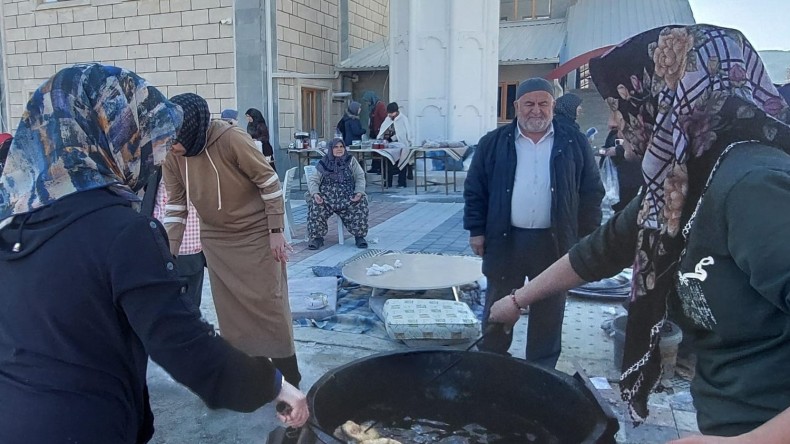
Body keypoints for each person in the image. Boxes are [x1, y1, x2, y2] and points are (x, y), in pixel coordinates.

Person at [489, 25, 790, 441]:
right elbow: (599, 251)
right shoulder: (680, 181)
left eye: (620, 103)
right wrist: (517, 300)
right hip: (723, 417)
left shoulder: (753, 187)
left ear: (667, 96)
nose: (614, 120)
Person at [0, 64, 308, 443]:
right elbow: (186, 349)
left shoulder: (13, 229)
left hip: (12, 418)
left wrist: (273, 229)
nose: (157, 149)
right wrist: (273, 386)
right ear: (112, 133)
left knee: (267, 305)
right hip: (87, 424)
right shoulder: (120, 233)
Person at [464, 77, 604, 368]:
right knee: (499, 304)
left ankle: (542, 369)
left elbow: (591, 192)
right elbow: (475, 188)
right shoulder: (493, 142)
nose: (536, 110)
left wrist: (586, 239)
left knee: (549, 307)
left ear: (553, 106)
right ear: (516, 106)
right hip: (505, 240)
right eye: (529, 103)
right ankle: (491, 363)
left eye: (543, 103)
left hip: (554, 242)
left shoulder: (573, 141)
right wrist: (476, 231)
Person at [163, 93, 302, 387]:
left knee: (270, 305)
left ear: (191, 127)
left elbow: (269, 181)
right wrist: (167, 253)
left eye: (174, 137)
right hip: (217, 242)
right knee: (232, 317)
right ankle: (256, 379)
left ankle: (290, 377)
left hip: (256, 234)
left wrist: (276, 232)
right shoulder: (172, 156)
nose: (170, 144)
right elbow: (176, 205)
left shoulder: (230, 138)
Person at [141, 166, 207, 308]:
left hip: (187, 245)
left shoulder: (162, 163)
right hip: (167, 244)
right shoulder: (160, 163)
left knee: (180, 304)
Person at [306, 138, 369, 250]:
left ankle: (359, 237)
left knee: (361, 202)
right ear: (331, 149)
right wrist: (316, 194)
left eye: (341, 147)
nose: (339, 149)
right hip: (327, 197)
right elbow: (313, 180)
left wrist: (359, 192)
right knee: (316, 205)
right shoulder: (323, 162)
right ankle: (317, 238)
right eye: (336, 147)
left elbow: (360, 177)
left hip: (347, 196)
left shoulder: (351, 160)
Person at [600, 128, 644, 213]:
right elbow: (605, 149)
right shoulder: (613, 134)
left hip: (630, 179)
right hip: (616, 178)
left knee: (626, 206)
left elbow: (635, 149)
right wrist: (602, 151)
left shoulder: (633, 134)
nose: (610, 124)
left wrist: (617, 151)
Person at [377, 102, 414, 188]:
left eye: (391, 113)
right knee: (388, 163)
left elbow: (406, 134)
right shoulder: (388, 119)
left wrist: (394, 138)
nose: (390, 115)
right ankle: (387, 182)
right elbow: (383, 131)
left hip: (402, 146)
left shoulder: (403, 119)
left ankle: (402, 183)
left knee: (403, 164)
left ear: (396, 112)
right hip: (390, 147)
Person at [362, 91, 388, 174]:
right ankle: (375, 167)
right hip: (373, 131)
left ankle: (381, 168)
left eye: (367, 101)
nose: (367, 103)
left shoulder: (380, 106)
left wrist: (381, 130)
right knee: (374, 150)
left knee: (380, 151)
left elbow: (384, 119)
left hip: (379, 132)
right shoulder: (372, 107)